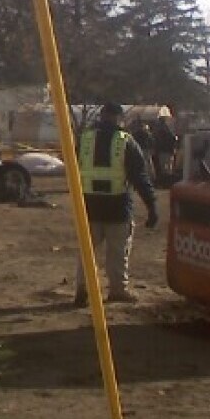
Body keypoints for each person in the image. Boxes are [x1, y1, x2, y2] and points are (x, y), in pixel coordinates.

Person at [74, 102, 158, 307]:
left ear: (101, 116)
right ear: (120, 118)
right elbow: (140, 177)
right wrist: (152, 206)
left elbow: (73, 167)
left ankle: (82, 290)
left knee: (87, 251)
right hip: (118, 208)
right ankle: (118, 290)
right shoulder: (125, 142)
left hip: (88, 207)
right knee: (118, 253)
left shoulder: (84, 140)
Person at [150, 105, 179, 185]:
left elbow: (158, 139)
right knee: (166, 167)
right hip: (166, 151)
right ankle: (166, 181)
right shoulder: (165, 129)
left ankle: (165, 181)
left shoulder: (161, 129)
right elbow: (172, 139)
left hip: (163, 150)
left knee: (164, 167)